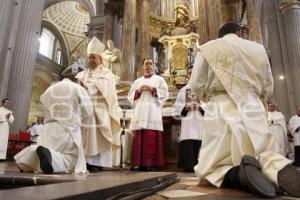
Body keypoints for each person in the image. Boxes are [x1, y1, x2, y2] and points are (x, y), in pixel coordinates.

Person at [189, 22, 300, 198]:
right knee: (259, 151)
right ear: (239, 33)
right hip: (253, 105)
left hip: (221, 103)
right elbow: (268, 84)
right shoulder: (258, 49)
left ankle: (239, 175)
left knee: (213, 164)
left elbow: (196, 84)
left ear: (220, 36)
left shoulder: (209, 48)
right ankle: (278, 168)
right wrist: (257, 97)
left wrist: (205, 97)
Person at [14, 78, 93, 174]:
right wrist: (80, 118)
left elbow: (44, 106)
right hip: (68, 127)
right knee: (72, 158)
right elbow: (88, 111)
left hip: (49, 128)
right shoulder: (77, 88)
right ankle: (51, 157)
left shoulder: (49, 90)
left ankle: (25, 161)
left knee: (43, 148)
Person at [75, 36, 122, 172]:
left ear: (100, 59)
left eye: (94, 57)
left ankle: (97, 163)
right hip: (84, 111)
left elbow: (107, 89)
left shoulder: (107, 74)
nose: (91, 60)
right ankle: (85, 161)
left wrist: (88, 87)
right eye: (89, 57)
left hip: (99, 110)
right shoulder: (82, 74)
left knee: (97, 137)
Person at [128, 57, 169, 171]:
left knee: (151, 136)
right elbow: (130, 97)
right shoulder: (137, 81)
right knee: (140, 136)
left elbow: (166, 94)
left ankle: (150, 163)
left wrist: (153, 89)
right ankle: (139, 163)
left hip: (153, 110)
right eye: (146, 64)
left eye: (150, 64)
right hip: (140, 111)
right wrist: (138, 91)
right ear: (143, 66)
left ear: (153, 65)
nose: (149, 66)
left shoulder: (159, 80)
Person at [174, 68, 205, 171]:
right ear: (188, 75)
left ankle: (201, 165)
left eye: (194, 73)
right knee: (188, 139)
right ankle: (188, 166)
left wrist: (200, 106)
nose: (192, 75)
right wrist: (186, 107)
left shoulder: (202, 89)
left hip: (200, 119)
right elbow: (177, 104)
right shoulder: (183, 90)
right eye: (190, 73)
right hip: (188, 120)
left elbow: (209, 103)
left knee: (200, 138)